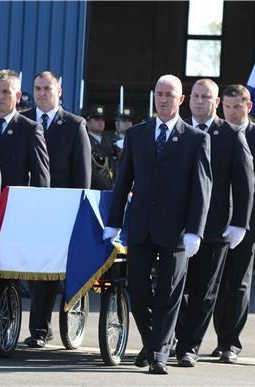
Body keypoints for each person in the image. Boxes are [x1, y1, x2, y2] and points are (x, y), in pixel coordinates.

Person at [103, 74, 212, 374]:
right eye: (159, 93)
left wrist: (195, 231)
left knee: (169, 292)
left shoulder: (196, 139)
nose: (163, 99)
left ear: (181, 100)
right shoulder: (137, 135)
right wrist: (113, 223)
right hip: (141, 226)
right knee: (137, 289)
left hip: (176, 230)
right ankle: (154, 341)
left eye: (169, 95)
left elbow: (202, 189)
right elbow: (123, 181)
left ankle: (159, 354)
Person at [174, 79, 254, 367]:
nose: (199, 101)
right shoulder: (177, 130)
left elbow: (245, 184)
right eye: (195, 96)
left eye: (205, 96)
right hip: (178, 226)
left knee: (204, 291)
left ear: (216, 102)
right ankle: (179, 337)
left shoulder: (231, 135)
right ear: (187, 99)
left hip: (215, 226)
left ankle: (190, 347)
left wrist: (240, 224)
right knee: (175, 288)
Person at [0, 69, 50, 353]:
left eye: (6, 92)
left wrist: (35, 214)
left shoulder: (29, 128)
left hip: (13, 215)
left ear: (18, 96)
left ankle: (1, 331)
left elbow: (41, 178)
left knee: (5, 276)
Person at [21, 71, 91, 349]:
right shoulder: (22, 120)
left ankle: (46, 327)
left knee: (52, 273)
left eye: (47, 88)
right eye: (37, 88)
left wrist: (76, 212)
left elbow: (82, 176)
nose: (41, 93)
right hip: (28, 209)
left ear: (59, 91)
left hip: (61, 211)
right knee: (33, 272)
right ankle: (31, 327)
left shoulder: (74, 125)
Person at [212, 84, 255, 364]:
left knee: (237, 284)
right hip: (216, 222)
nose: (230, 113)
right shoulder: (214, 135)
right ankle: (219, 337)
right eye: (226, 107)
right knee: (213, 284)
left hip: (249, 224)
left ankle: (230, 342)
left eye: (236, 107)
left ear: (248, 107)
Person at [84, 105, 115, 190]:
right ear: (88, 122)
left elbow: (113, 166)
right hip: (94, 189)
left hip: (110, 187)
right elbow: (91, 171)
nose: (100, 122)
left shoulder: (108, 143)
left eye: (102, 120)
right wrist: (109, 187)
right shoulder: (85, 141)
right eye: (96, 119)